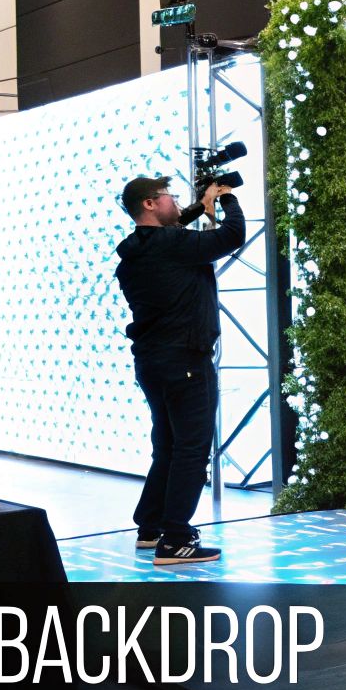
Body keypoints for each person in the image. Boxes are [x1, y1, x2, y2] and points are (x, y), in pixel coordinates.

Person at [115, 176, 243, 565]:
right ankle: (175, 539)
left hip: (153, 362)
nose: (175, 201)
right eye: (168, 196)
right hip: (186, 359)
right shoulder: (171, 245)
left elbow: (174, 232)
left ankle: (150, 528)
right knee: (191, 449)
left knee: (168, 447)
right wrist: (227, 201)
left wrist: (198, 207)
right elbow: (231, 236)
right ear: (150, 204)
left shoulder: (134, 249)